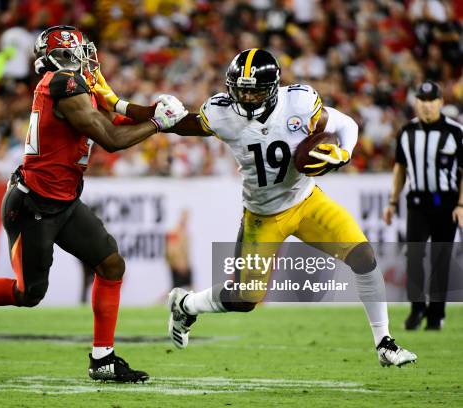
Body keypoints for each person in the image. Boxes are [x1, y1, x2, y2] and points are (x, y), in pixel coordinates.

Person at [94, 48, 417, 367]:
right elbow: (175, 122)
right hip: (262, 216)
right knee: (245, 299)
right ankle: (186, 304)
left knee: (363, 256)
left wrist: (344, 153)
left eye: (255, 92)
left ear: (273, 89)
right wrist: (118, 103)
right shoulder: (222, 113)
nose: (247, 99)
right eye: (241, 91)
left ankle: (384, 343)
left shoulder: (300, 102)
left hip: (306, 200)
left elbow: (346, 124)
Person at [0, 25, 187, 383]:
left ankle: (103, 358)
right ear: (63, 55)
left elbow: (115, 114)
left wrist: (156, 111)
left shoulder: (76, 85)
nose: (88, 57)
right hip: (33, 205)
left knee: (111, 264)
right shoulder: (63, 85)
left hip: (64, 200)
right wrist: (158, 125)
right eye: (80, 51)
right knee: (29, 294)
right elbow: (112, 138)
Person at [383, 80, 463, 331]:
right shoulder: (406, 132)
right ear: (416, 102)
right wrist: (392, 201)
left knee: (441, 259)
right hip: (417, 202)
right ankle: (417, 309)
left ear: (440, 102)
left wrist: (461, 203)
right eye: (422, 100)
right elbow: (400, 168)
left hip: (446, 203)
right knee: (414, 256)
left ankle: (436, 315)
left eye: (431, 101)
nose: (427, 106)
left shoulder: (455, 132)